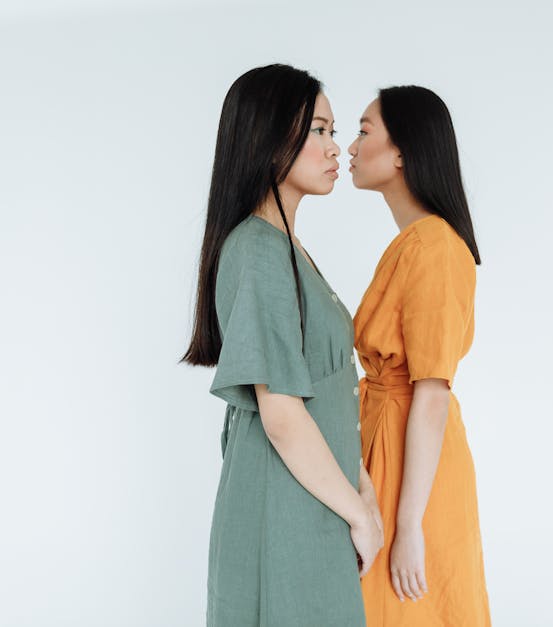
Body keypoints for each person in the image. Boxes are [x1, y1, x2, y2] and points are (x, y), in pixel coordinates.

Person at [182, 63, 383, 627]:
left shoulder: (286, 250)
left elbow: (326, 395)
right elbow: (283, 417)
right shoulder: (258, 250)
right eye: (318, 130)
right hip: (286, 510)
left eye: (333, 130)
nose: (335, 147)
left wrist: (361, 495)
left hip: (315, 501)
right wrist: (360, 515)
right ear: (269, 142)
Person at [347, 85, 491, 626]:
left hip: (415, 468)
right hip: (391, 444)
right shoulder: (416, 242)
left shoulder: (435, 247)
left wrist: (410, 527)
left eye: (364, 131)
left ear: (402, 151)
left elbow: (431, 392)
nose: (350, 147)